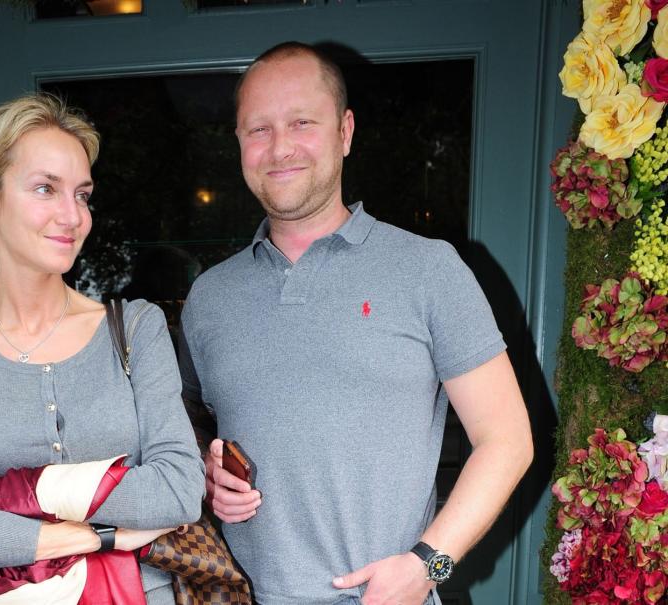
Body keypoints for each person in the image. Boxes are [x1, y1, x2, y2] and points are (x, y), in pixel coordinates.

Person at [178, 42, 534, 605]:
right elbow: (187, 425)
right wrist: (206, 469)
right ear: (239, 144)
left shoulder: (427, 268)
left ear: (344, 132)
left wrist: (427, 567)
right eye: (258, 129)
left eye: (301, 122)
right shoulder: (209, 297)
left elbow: (507, 440)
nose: (280, 147)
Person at [0, 93, 206, 604]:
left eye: (83, 194)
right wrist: (94, 537)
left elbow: (179, 489)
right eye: (46, 188)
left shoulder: (134, 329)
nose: (73, 216)